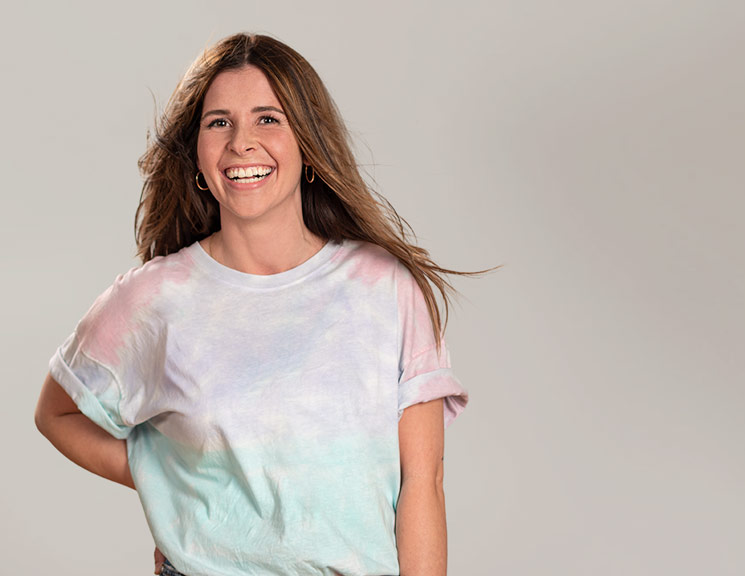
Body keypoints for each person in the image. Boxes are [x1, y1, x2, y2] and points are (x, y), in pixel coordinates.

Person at [35, 33, 482, 576]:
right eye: (218, 122)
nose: (241, 142)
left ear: (308, 144)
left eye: (268, 119)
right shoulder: (154, 298)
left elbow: (423, 483)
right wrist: (168, 481)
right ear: (197, 156)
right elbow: (55, 413)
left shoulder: (386, 288)